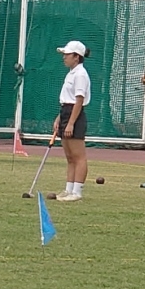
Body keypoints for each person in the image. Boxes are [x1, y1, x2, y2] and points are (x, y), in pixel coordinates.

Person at [53, 40, 90, 201]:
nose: (64, 57)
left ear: (77, 57)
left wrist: (71, 123)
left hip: (75, 114)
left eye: (67, 55)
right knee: (69, 156)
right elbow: (66, 100)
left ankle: (77, 191)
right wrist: (59, 118)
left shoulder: (81, 74)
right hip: (66, 112)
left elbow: (79, 100)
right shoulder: (71, 73)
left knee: (78, 156)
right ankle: (68, 189)